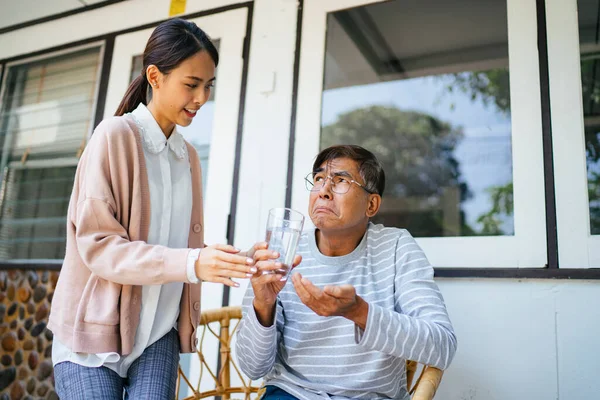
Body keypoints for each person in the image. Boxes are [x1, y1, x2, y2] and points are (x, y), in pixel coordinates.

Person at [48, 18, 265, 399]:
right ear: (155, 76)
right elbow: (99, 247)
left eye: (208, 86)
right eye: (191, 84)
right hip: (93, 341)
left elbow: (175, 245)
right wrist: (193, 263)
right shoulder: (113, 137)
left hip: (157, 335)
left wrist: (238, 261)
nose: (201, 98)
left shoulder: (188, 157)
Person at [236, 145, 457, 400]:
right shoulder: (283, 252)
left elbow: (443, 346)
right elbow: (253, 368)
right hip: (291, 394)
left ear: (371, 204)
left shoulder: (396, 247)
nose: (324, 192)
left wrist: (359, 312)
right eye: (319, 179)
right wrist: (263, 304)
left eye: (340, 180)